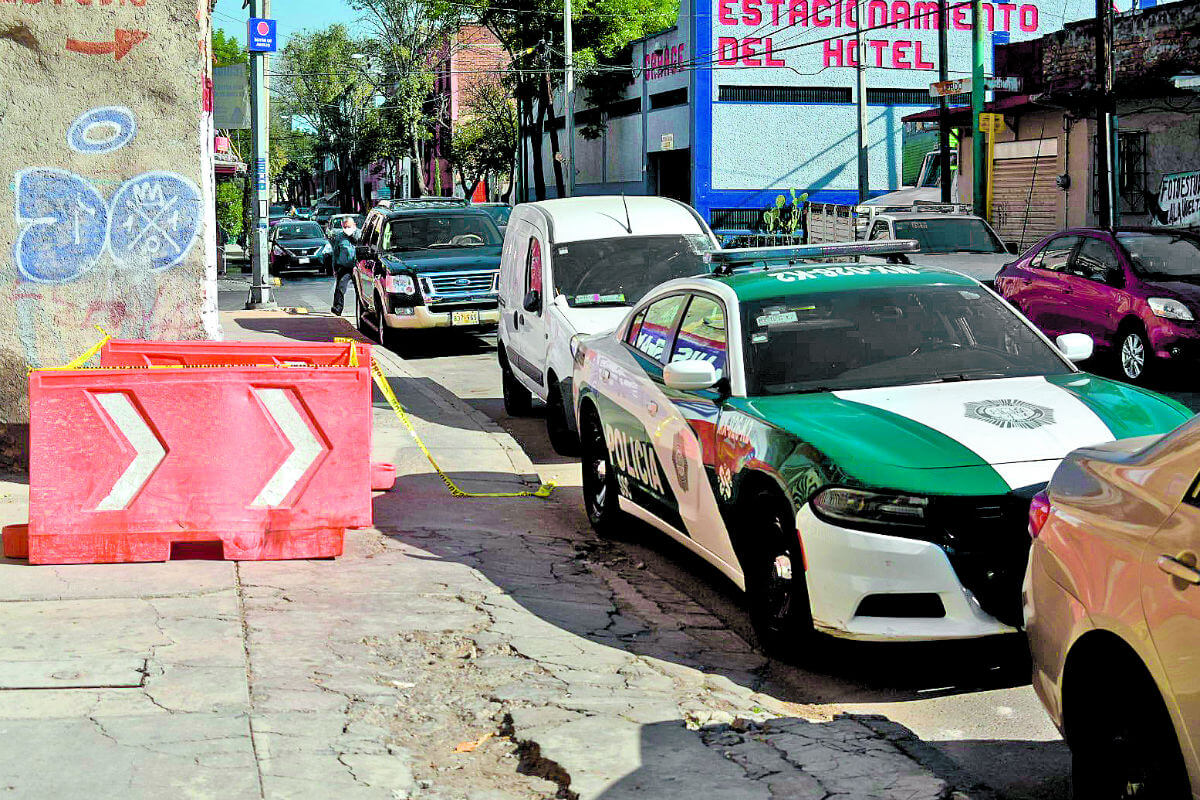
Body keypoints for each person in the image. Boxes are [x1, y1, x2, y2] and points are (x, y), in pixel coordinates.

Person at [330, 217, 360, 316]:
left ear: (354, 225)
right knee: (340, 288)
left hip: (358, 267)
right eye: (345, 227)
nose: (347, 229)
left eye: (349, 226)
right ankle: (337, 308)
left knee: (360, 290)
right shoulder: (339, 237)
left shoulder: (361, 235)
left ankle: (362, 310)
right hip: (344, 266)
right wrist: (334, 268)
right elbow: (335, 253)